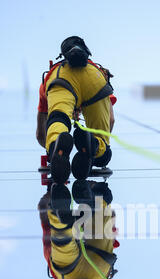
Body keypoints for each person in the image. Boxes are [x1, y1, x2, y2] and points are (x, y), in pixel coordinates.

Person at [36, 36, 117, 183]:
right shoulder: (97, 70)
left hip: (61, 79)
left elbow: (41, 133)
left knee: (58, 118)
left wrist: (50, 150)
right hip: (94, 80)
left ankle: (56, 143)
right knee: (102, 146)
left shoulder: (51, 74)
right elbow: (111, 119)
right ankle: (94, 146)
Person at [38, 181, 119, 279]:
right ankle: (60, 218)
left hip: (98, 264)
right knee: (63, 245)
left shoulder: (100, 278)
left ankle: (99, 196)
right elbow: (50, 247)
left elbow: (110, 236)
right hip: (70, 274)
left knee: (99, 218)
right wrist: (48, 201)